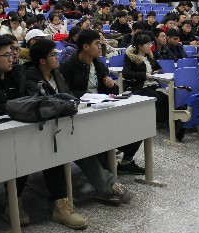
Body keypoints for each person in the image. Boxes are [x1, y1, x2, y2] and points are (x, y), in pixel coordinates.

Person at [0, 35, 88, 229]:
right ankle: (13, 201)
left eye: (13, 53)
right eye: (7, 55)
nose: (12, 58)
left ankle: (60, 204)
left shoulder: (18, 75)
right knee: (21, 155)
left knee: (50, 149)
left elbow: (31, 101)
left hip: (23, 131)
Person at [24, 39, 134, 204]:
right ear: (42, 61)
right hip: (44, 130)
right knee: (77, 150)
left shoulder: (56, 75)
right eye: (53, 55)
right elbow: (43, 103)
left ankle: (110, 185)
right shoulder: (31, 79)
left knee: (87, 148)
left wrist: (72, 104)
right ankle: (109, 185)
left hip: (65, 124)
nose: (57, 57)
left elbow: (68, 96)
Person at [59, 29, 145, 174]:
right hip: (83, 110)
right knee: (103, 156)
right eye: (97, 44)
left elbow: (111, 88)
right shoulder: (69, 65)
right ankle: (103, 171)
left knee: (137, 127)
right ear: (86, 47)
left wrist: (110, 84)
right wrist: (85, 96)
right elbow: (65, 93)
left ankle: (125, 162)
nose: (100, 47)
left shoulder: (97, 62)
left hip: (103, 106)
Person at [121, 31, 183, 138]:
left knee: (168, 98)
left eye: (151, 44)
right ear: (140, 46)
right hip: (139, 86)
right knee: (157, 99)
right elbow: (126, 73)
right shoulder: (130, 57)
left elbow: (159, 68)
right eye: (147, 44)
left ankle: (170, 123)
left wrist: (156, 72)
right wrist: (144, 75)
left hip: (152, 84)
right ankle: (166, 123)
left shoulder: (149, 56)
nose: (150, 46)